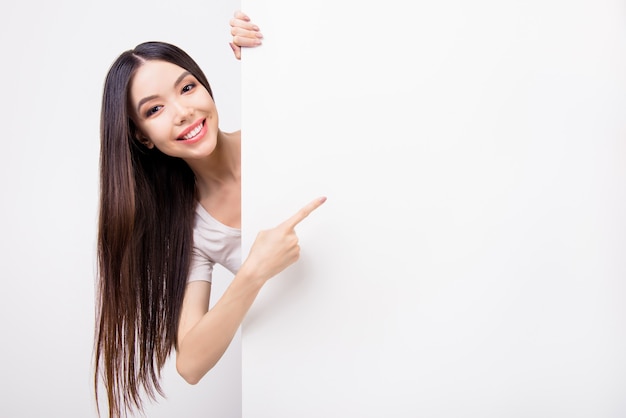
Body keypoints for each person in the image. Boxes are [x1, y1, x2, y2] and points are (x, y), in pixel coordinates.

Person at [94, 11, 326, 418]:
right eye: (154, 111)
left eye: (188, 87)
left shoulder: (280, 131)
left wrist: (276, 45)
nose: (182, 111)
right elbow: (191, 364)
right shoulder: (193, 230)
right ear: (141, 138)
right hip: (314, 376)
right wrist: (254, 271)